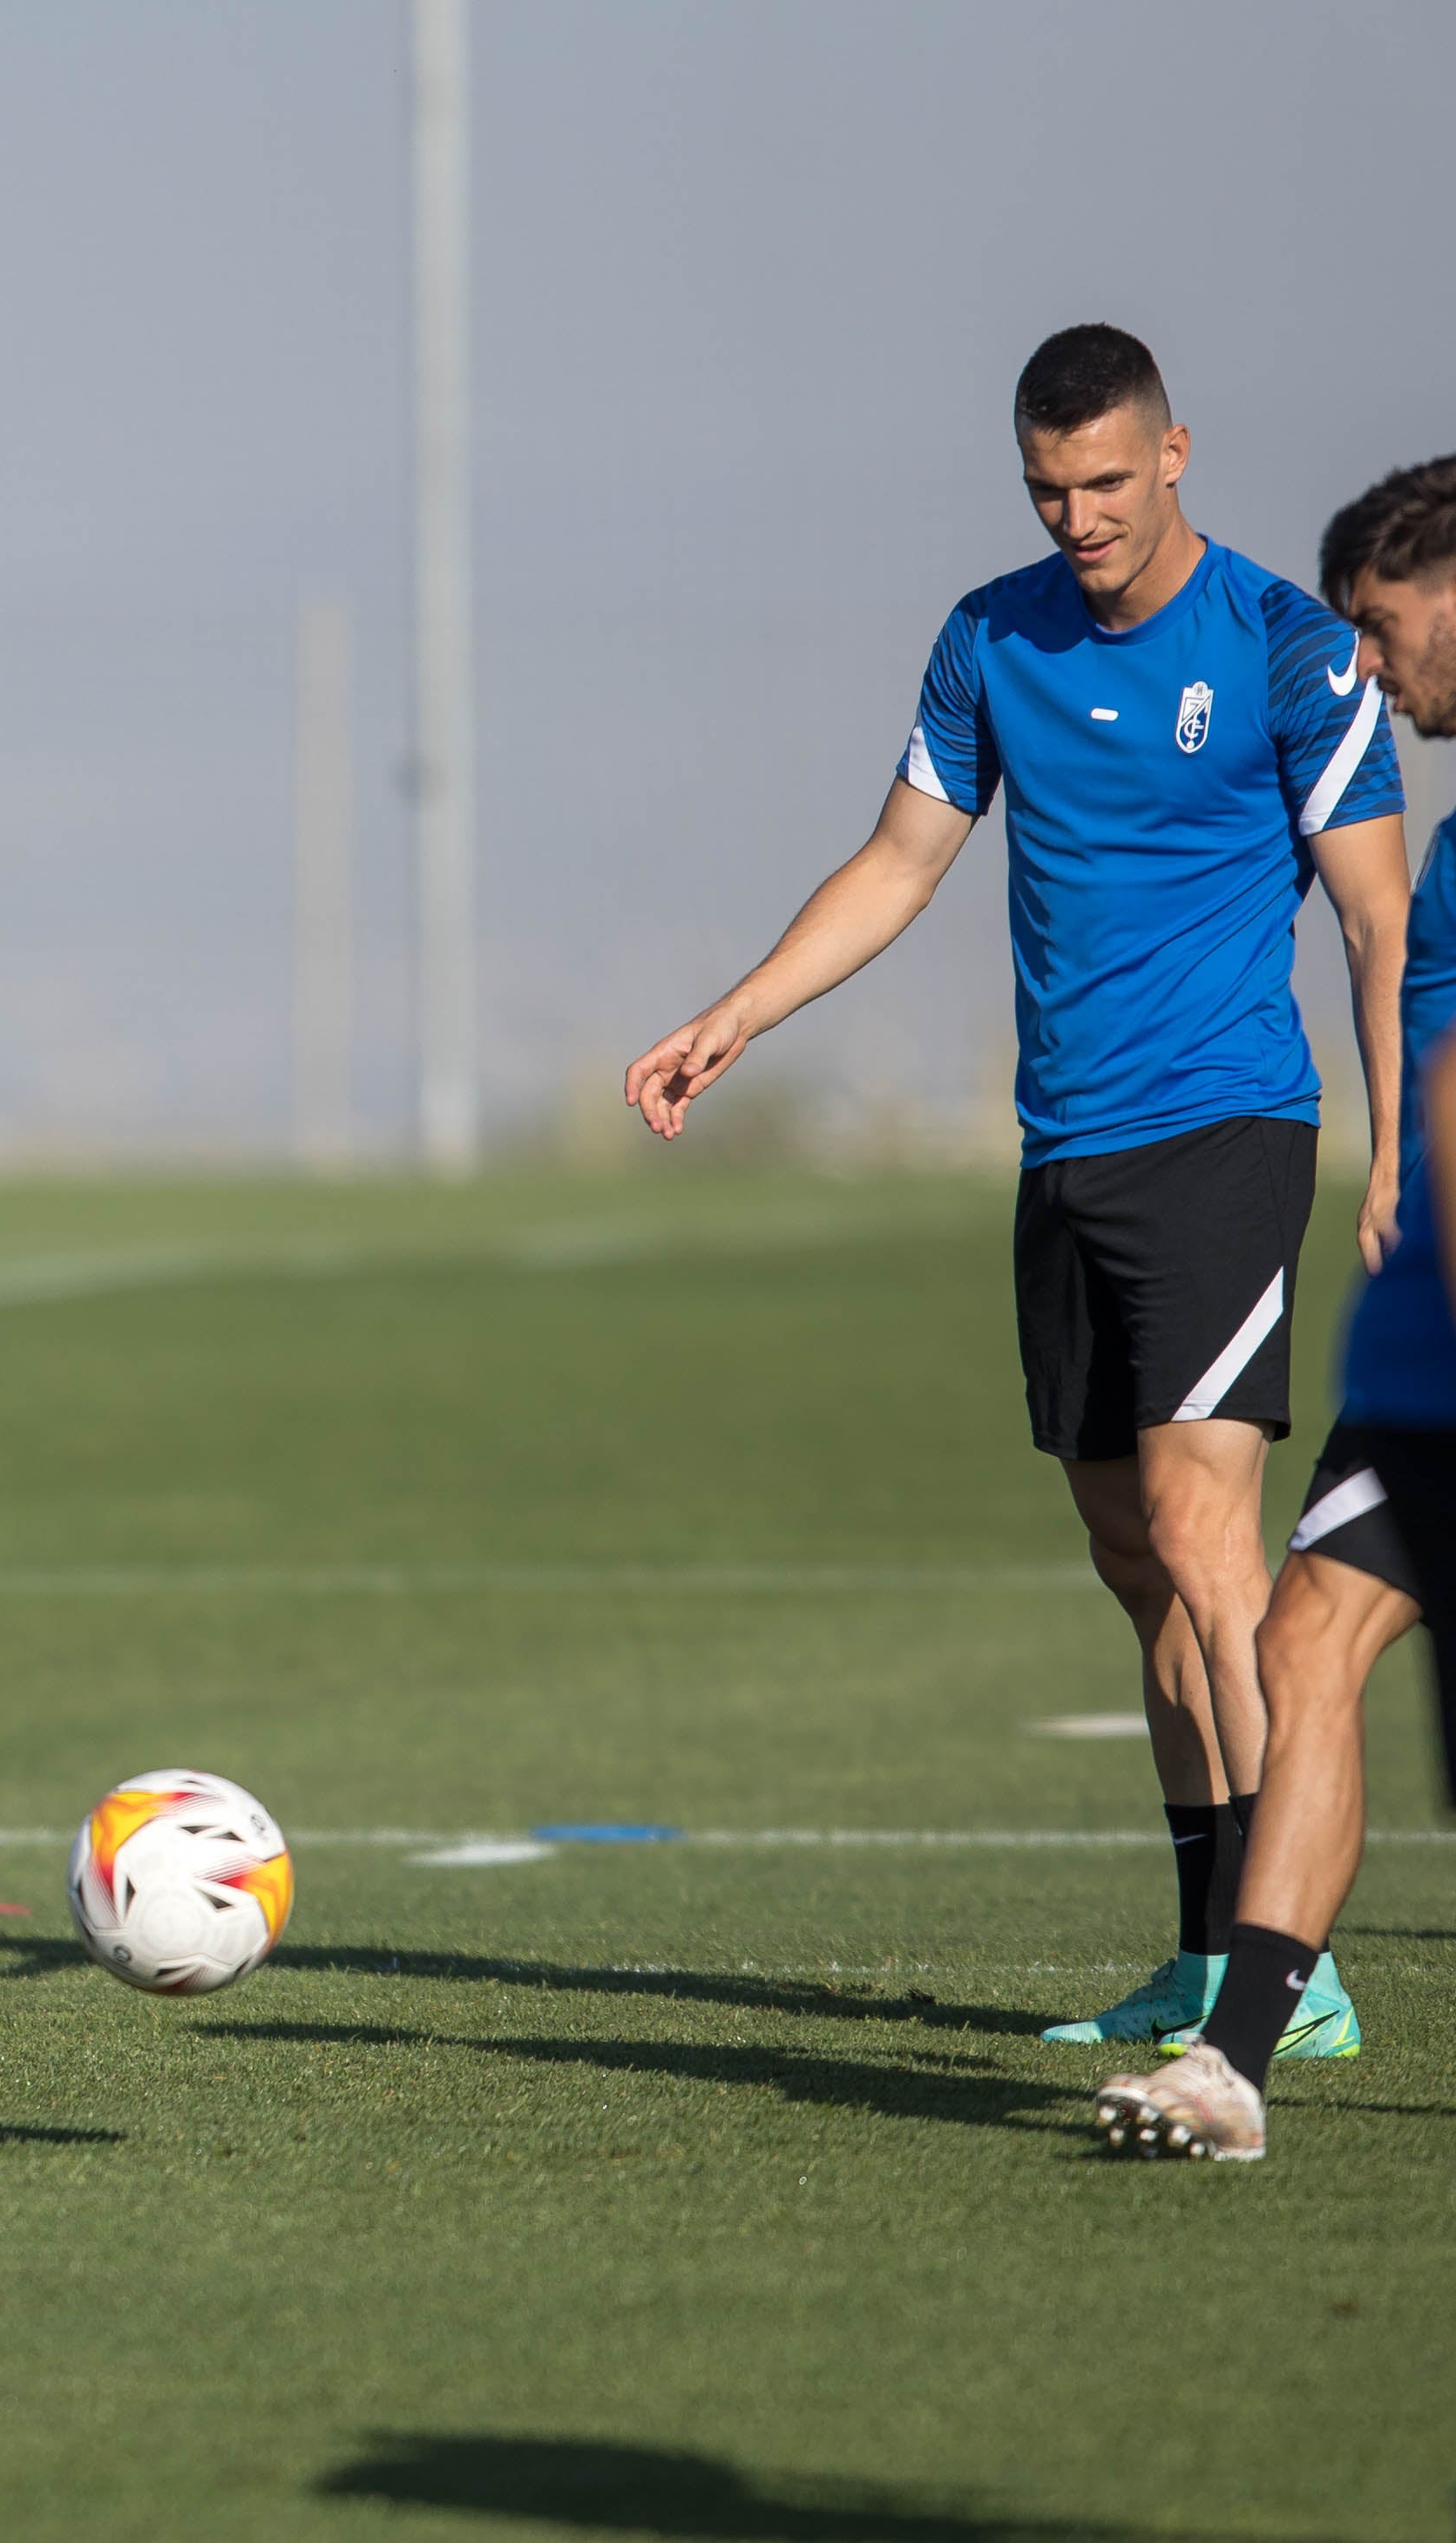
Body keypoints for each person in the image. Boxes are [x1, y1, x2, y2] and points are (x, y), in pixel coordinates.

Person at [622, 324, 1406, 2051]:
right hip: (1063, 1150)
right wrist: (730, 1017)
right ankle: (1206, 1945)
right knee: (1130, 1554)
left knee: (1208, 1541)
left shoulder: (1282, 649)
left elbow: (1371, 915)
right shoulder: (990, 637)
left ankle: (1292, 1967)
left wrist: (1396, 1145)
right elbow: (901, 856)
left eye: (1107, 482)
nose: (1079, 518)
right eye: (1047, 490)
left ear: (1174, 452)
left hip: (1223, 1133)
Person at [1099, 451, 1456, 2158]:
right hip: (1424, 1352)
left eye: (1385, 634)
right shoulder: (1452, 843)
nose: (1367, 673)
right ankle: (1232, 2056)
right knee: (1306, 1634)